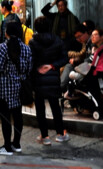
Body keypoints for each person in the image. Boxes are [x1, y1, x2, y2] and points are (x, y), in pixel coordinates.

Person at [0, 21, 32, 155]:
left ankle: (7, 147)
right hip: (19, 87)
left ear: (6, 33)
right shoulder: (26, 48)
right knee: (18, 116)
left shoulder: (2, 48)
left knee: (6, 118)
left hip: (5, 88)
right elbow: (29, 69)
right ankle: (16, 144)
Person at [29, 16, 70, 145]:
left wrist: (37, 69)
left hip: (38, 77)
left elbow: (31, 60)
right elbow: (65, 58)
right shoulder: (57, 40)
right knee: (55, 107)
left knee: (40, 108)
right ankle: (60, 134)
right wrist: (52, 66)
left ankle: (45, 137)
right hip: (53, 77)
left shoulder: (32, 42)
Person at [60, 24, 92, 91]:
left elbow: (89, 58)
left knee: (69, 66)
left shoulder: (92, 43)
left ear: (86, 32)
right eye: (76, 38)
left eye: (79, 36)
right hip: (86, 66)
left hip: (90, 68)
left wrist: (76, 61)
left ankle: (60, 87)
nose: (78, 39)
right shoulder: (86, 43)